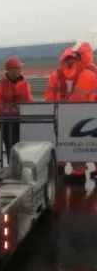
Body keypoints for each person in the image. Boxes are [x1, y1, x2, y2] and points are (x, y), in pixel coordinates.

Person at [65, 42, 97, 185]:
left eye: (77, 57)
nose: (74, 60)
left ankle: (78, 172)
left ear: (82, 57)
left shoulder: (86, 74)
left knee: (77, 141)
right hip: (92, 112)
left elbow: (78, 98)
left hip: (83, 114)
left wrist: (68, 98)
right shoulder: (93, 70)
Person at [0, 57, 33, 162]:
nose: (20, 70)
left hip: (22, 120)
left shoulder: (25, 84)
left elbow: (30, 101)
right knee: (9, 145)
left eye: (20, 68)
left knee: (23, 145)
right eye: (18, 68)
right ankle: (12, 165)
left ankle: (22, 164)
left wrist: (31, 118)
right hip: (6, 121)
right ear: (10, 70)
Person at [44, 48, 78, 177]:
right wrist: (49, 109)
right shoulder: (55, 75)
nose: (69, 61)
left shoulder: (81, 73)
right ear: (63, 60)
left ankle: (77, 168)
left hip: (76, 113)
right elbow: (49, 93)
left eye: (71, 58)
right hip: (59, 112)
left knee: (75, 140)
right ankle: (60, 163)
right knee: (59, 139)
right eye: (67, 58)